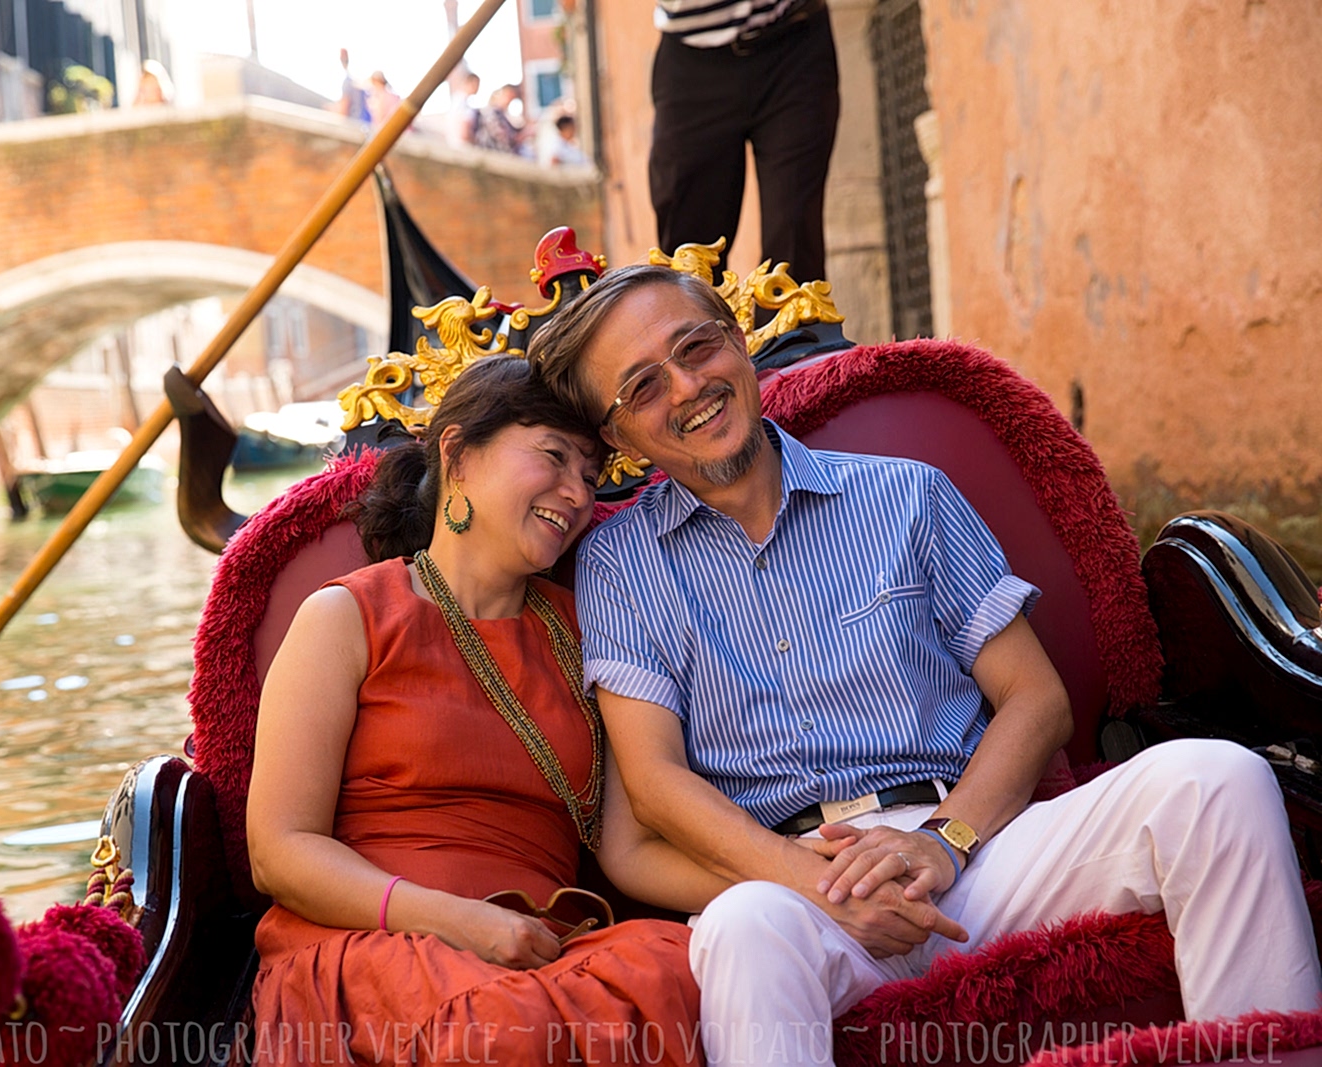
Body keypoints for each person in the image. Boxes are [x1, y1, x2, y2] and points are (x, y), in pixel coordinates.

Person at [526, 264, 1322, 1064]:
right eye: (641, 387)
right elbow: (656, 783)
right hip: (793, 883)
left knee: (1218, 780)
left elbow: (1035, 699)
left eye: (696, 346)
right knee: (739, 928)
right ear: (619, 438)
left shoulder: (908, 494)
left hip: (974, 850)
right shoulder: (621, 564)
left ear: (737, 344)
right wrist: (819, 887)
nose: (688, 385)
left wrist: (946, 841)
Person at [245, 357, 728, 1064]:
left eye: (590, 475)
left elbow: (632, 849)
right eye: (554, 456)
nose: (576, 493)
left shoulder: (595, 631)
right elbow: (279, 851)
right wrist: (460, 921)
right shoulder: (346, 615)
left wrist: (795, 875)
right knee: (504, 1025)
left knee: (683, 965)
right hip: (368, 946)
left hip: (539, 949)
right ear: (458, 453)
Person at [649, 0, 840, 282]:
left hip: (794, 42)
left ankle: (794, 328)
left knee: (794, 236)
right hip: (692, 60)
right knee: (689, 255)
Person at [474, 84, 525, 154]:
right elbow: (504, 139)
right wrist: (524, 135)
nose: (509, 101)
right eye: (509, 97)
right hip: (496, 156)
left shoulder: (501, 114)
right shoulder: (491, 113)